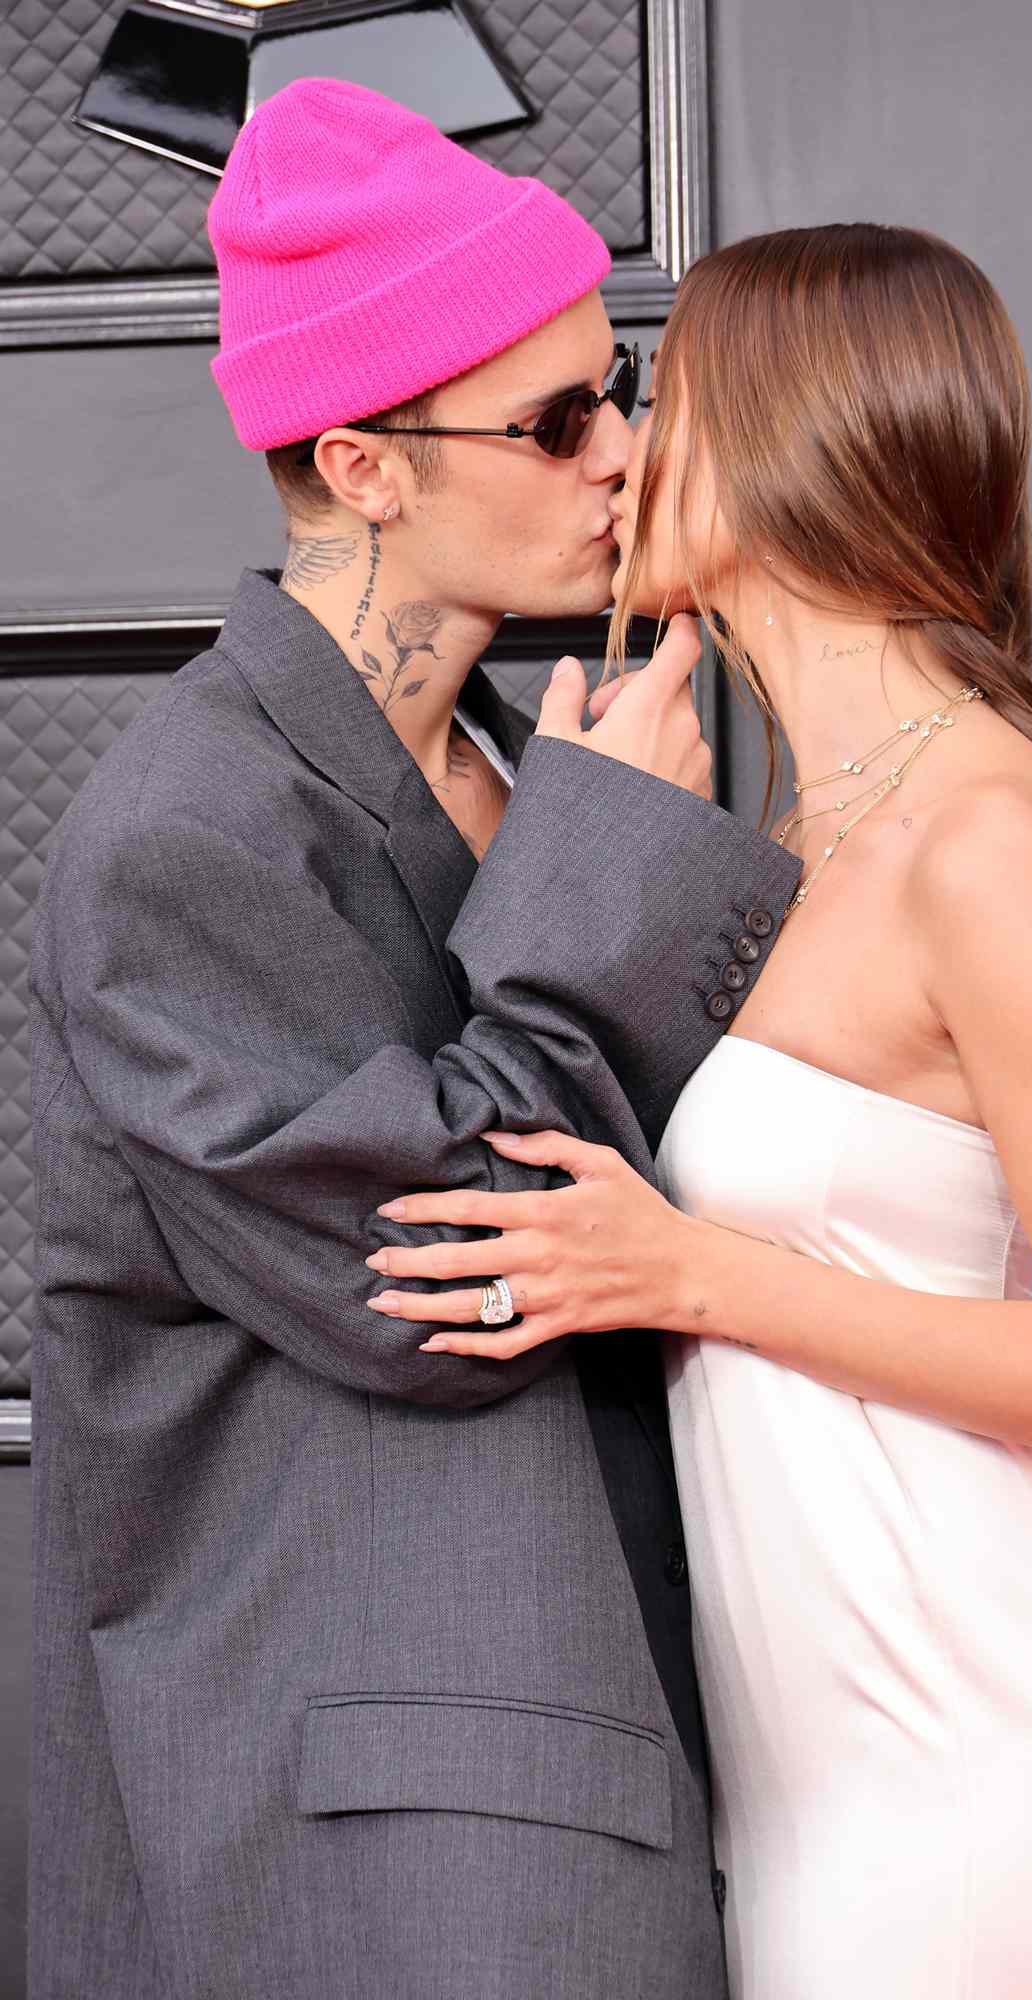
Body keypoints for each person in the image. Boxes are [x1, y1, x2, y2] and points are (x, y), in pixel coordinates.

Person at [380, 223, 1032, 1998]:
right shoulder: (786, 841)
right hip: (808, 1765)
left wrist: (692, 1274)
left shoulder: (987, 830)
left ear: (781, 439)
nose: (611, 454)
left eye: (650, 401)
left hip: (973, 1753)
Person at [26, 80, 803, 2000]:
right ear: (365, 463)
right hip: (389, 1809)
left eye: (609, 382)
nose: (626, 451)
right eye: (556, 422)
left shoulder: (511, 762)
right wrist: (621, 859)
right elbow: (442, 1274)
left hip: (586, 1717)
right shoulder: (189, 829)